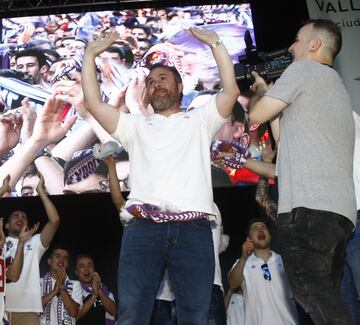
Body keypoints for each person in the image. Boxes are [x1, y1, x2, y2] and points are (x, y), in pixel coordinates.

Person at [82, 27, 239, 324]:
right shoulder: (134, 126)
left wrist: (215, 43)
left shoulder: (199, 121)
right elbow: (93, 103)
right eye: (151, 82)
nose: (156, 85)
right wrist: (90, 55)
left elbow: (230, 91)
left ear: (180, 87)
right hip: (143, 229)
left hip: (193, 229)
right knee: (132, 316)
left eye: (163, 78)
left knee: (196, 317)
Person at [249, 19, 356, 324]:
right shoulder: (335, 86)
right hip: (338, 214)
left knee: (311, 292)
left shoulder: (302, 70)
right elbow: (285, 141)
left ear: (314, 45)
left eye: (297, 40)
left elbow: (256, 115)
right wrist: (269, 91)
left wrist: (258, 93)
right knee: (326, 295)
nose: (291, 47)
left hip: (307, 208)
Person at [5, 173, 61, 325]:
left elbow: (54, 221)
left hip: (26, 311)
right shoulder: (1, 243)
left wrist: (41, 193)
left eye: (24, 217)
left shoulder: (35, 242)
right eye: (16, 216)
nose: (20, 218)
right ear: (7, 225)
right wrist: (3, 189)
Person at [228, 218, 298, 325]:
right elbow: (232, 284)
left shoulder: (285, 262)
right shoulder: (242, 263)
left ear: (270, 235)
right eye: (255, 229)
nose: (260, 230)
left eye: (263, 227)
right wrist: (243, 257)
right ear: (249, 239)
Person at [40, 246, 82, 325]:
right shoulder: (38, 282)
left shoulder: (75, 284)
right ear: (49, 261)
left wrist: (62, 288)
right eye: (57, 256)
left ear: (68, 264)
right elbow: (34, 307)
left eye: (65, 258)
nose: (61, 261)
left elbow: (73, 312)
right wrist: (54, 292)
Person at [75, 254, 117, 325]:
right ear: (76, 272)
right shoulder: (72, 289)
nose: (86, 269)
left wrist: (99, 289)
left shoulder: (104, 289)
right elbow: (74, 317)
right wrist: (93, 297)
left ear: (94, 270)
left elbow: (113, 311)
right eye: (82, 266)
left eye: (89, 265)